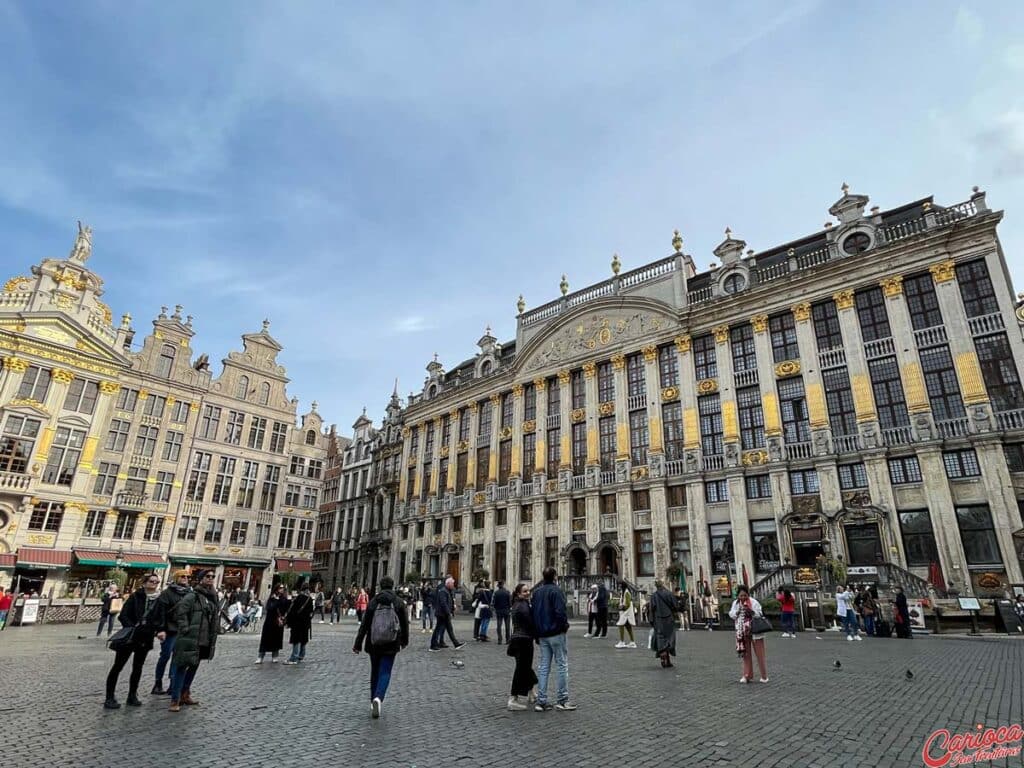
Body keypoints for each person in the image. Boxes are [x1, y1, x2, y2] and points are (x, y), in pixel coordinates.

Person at [353, 576, 409, 719]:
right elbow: (404, 624)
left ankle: (373, 701)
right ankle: (379, 697)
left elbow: (365, 625)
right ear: (392, 586)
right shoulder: (398, 602)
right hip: (391, 642)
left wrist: (358, 644)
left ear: (380, 586)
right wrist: (404, 641)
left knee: (375, 672)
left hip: (374, 642)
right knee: (385, 671)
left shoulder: (373, 602)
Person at [103, 572, 161, 709]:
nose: (154, 584)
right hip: (130, 637)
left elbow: (159, 618)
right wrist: (133, 627)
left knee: (138, 668)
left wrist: (155, 629)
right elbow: (123, 616)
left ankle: (132, 695)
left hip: (145, 638)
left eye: (156, 582)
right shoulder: (135, 597)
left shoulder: (158, 600)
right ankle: (109, 697)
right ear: (145, 583)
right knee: (118, 666)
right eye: (152, 581)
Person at [168, 569, 219, 712]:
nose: (210, 579)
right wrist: (185, 628)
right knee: (182, 667)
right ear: (201, 579)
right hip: (190, 637)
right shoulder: (193, 595)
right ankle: (175, 698)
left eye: (212, 577)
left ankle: (185, 693)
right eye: (207, 576)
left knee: (194, 665)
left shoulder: (212, 596)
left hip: (204, 638)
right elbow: (180, 612)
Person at [530, 567, 576, 711]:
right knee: (561, 665)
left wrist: (537, 633)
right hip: (556, 633)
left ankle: (541, 701)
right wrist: (564, 627)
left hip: (542, 635)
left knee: (544, 667)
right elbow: (560, 612)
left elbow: (534, 614)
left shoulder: (536, 593)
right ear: (555, 576)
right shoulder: (556, 591)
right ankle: (562, 700)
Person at [150, 570, 191, 695]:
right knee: (165, 656)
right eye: (182, 576)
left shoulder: (189, 593)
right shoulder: (167, 593)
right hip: (169, 630)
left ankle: (173, 684)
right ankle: (158, 682)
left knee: (177, 658)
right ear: (176, 578)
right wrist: (160, 629)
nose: (185, 579)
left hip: (182, 630)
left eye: (187, 577)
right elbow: (160, 613)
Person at [506, 583, 537, 710]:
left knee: (525, 667)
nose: (528, 593)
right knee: (521, 669)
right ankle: (513, 698)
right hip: (523, 640)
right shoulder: (522, 606)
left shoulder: (519, 604)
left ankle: (531, 693)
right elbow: (530, 623)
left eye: (528, 590)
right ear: (519, 593)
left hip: (520, 639)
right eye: (525, 591)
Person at [729, 584, 769, 684]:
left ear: (748, 594)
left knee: (760, 654)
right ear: (738, 596)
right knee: (746, 655)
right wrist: (737, 612)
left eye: (745, 595)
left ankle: (764, 676)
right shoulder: (736, 603)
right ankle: (747, 675)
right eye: (741, 595)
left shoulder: (754, 602)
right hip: (742, 632)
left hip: (755, 630)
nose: (743, 597)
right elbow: (731, 614)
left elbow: (760, 613)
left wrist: (751, 611)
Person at [257, 583, 290, 663]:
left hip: (278, 622)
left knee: (277, 639)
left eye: (283, 588)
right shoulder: (272, 598)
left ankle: (275, 656)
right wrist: (276, 600)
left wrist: (289, 601)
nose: (282, 590)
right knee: (265, 639)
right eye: (280, 588)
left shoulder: (283, 598)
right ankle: (260, 657)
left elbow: (286, 608)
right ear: (276, 589)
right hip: (269, 621)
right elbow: (270, 607)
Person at [430, 577, 465, 651]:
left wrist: (452, 610)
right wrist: (448, 612)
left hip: (445, 614)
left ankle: (456, 644)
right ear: (448, 584)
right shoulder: (443, 591)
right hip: (442, 614)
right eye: (452, 583)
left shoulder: (448, 591)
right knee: (438, 629)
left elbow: (450, 602)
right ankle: (433, 645)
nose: (453, 585)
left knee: (449, 629)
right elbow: (443, 603)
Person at [284, 580, 315, 664]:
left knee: (296, 640)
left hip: (297, 623)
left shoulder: (299, 598)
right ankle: (301, 655)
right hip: (305, 623)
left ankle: (294, 658)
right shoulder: (309, 599)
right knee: (303, 639)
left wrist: (288, 622)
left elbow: (293, 610)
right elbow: (311, 612)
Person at [649, 580, 678, 668]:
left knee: (660, 638)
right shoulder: (669, 594)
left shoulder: (654, 596)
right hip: (669, 619)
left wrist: (651, 620)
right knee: (669, 638)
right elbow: (675, 605)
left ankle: (663, 657)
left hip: (658, 620)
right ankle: (667, 658)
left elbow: (652, 609)